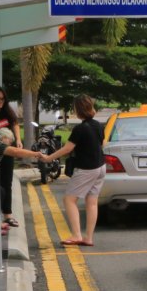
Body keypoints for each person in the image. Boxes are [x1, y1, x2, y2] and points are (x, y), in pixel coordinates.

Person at [45, 95, 106, 247]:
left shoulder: (80, 129)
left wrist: (48, 158)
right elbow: (101, 144)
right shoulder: (99, 125)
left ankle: (76, 235)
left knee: (69, 200)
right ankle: (89, 238)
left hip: (87, 168)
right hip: (100, 167)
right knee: (92, 202)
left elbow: (67, 149)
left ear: (77, 110)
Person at [0, 85, 23, 229]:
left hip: (8, 153)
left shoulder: (6, 112)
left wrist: (18, 139)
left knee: (7, 183)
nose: (0, 101)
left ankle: (8, 215)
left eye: (3, 99)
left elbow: (15, 123)